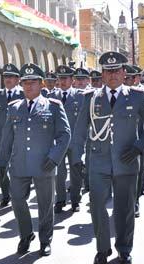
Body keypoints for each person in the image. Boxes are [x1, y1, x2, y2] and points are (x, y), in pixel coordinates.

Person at [70, 51, 144, 264]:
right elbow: (80, 131)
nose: (113, 75)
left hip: (127, 162)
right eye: (108, 71)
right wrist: (76, 158)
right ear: (102, 74)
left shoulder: (137, 96)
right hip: (98, 163)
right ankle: (102, 250)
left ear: (124, 73)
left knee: (125, 209)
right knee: (97, 207)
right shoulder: (91, 98)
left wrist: (139, 148)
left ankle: (124, 248)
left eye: (117, 70)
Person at [0, 63, 71, 256]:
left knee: (46, 204)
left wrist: (54, 158)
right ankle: (26, 234)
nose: (28, 86)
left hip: (44, 164)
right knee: (17, 200)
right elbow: (6, 138)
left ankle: (45, 240)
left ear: (41, 84)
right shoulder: (14, 108)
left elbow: (64, 135)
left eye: (33, 82)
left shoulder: (53, 107)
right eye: (25, 82)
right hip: (19, 164)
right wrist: (1, 163)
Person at [49, 65, 85, 213]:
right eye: (60, 79)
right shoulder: (51, 97)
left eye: (65, 79)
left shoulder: (80, 96)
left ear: (72, 80)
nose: (62, 82)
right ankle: (60, 199)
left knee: (76, 171)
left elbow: (84, 121)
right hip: (58, 142)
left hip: (75, 141)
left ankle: (75, 200)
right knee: (59, 172)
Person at [0, 63, 24, 207]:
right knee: (1, 167)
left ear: (18, 79)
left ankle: (18, 193)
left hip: (19, 137)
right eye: (6, 77)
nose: (8, 79)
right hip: (1, 138)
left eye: (11, 77)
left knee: (18, 167)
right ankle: (6, 194)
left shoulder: (23, 94)